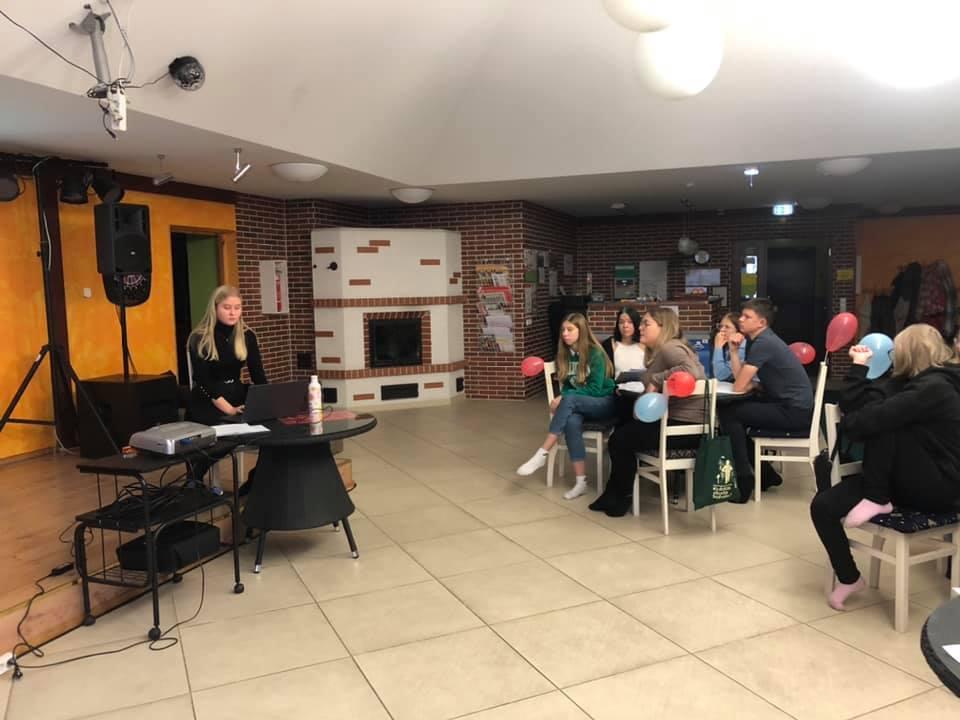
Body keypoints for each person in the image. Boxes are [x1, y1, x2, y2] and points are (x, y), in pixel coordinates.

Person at [810, 324, 960, 610]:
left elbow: (864, 422)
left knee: (889, 425)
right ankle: (850, 578)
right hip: (901, 478)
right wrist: (859, 368)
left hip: (939, 487)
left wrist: (858, 421)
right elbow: (858, 403)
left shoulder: (936, 387)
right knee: (823, 506)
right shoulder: (907, 382)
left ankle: (876, 498)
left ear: (906, 353)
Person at [589, 307, 706, 517]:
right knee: (622, 436)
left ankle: (621, 496)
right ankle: (612, 494)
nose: (640, 328)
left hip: (684, 428)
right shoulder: (664, 350)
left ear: (663, 327)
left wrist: (656, 379)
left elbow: (693, 372)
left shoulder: (671, 348)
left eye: (646, 324)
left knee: (619, 440)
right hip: (683, 425)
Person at [718, 298, 813, 502]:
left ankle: (744, 481)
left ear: (761, 322)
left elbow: (738, 386)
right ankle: (766, 475)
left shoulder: (763, 343)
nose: (740, 320)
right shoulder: (759, 340)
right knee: (734, 412)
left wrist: (750, 384)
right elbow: (741, 380)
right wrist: (733, 351)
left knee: (729, 414)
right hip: (791, 406)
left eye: (747, 317)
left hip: (794, 412)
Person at [517, 313, 616, 500]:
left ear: (581, 331)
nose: (565, 333)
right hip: (581, 403)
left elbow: (595, 389)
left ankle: (542, 453)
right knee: (571, 422)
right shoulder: (565, 355)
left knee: (569, 399)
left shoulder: (595, 353)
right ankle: (581, 482)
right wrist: (566, 395)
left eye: (570, 329)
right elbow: (570, 386)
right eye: (563, 329)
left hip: (603, 402)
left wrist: (563, 397)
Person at [601, 307, 646, 379]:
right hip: (617, 385)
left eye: (630, 322)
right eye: (621, 322)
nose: (625, 326)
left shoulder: (645, 344)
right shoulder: (609, 345)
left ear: (636, 324)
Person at [711, 312, 747, 381]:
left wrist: (718, 347)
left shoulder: (742, 347)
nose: (722, 330)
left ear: (738, 330)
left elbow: (720, 375)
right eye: (721, 326)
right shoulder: (729, 344)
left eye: (727, 327)